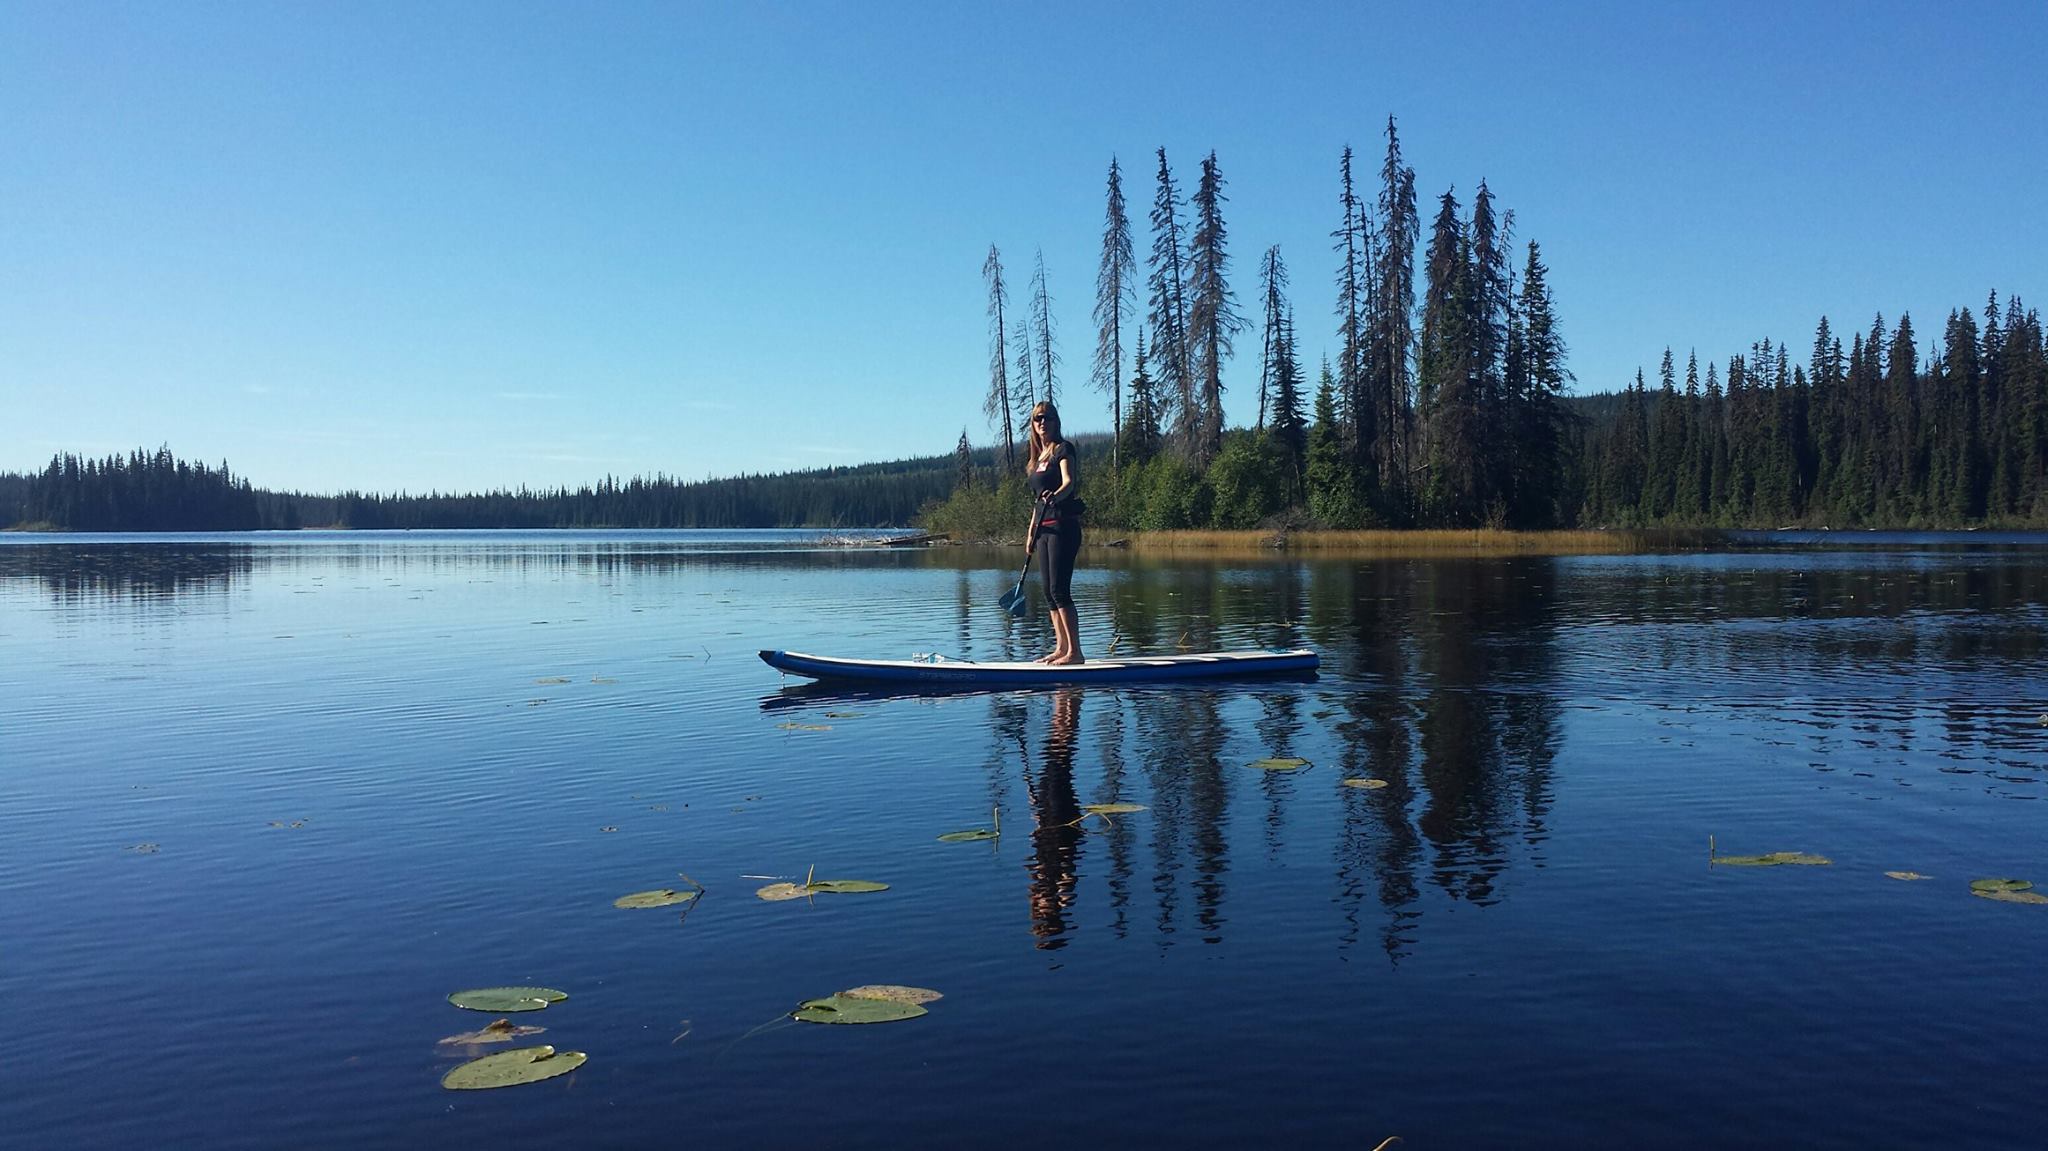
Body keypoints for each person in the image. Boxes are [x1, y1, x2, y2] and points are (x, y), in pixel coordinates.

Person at [1025, 400, 1084, 664]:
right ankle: (1061, 648)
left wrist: (1056, 497)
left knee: (1060, 590)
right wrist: (1030, 533)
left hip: (1063, 527)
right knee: (1049, 592)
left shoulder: (1063, 449)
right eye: (1037, 418)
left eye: (1046, 418)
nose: (1042, 423)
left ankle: (1076, 653)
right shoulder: (1037, 458)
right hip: (1043, 530)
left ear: (1055, 421)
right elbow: (1037, 500)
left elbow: (1069, 483)